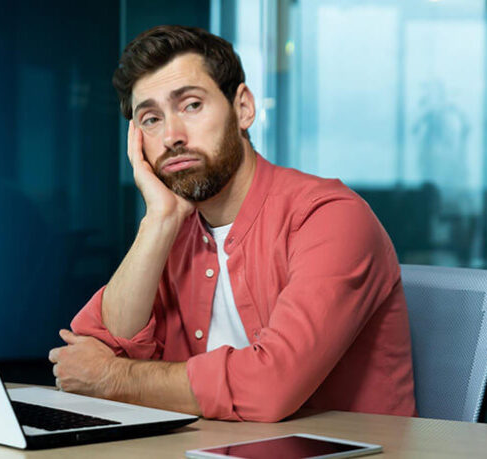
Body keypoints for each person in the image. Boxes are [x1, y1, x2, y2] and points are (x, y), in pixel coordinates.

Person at [47, 25, 417, 422]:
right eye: (151, 119)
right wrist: (158, 219)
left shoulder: (330, 217)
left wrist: (113, 377)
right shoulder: (173, 231)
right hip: (208, 446)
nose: (171, 136)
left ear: (243, 108)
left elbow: (271, 386)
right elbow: (98, 348)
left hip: (341, 447)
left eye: (191, 105)